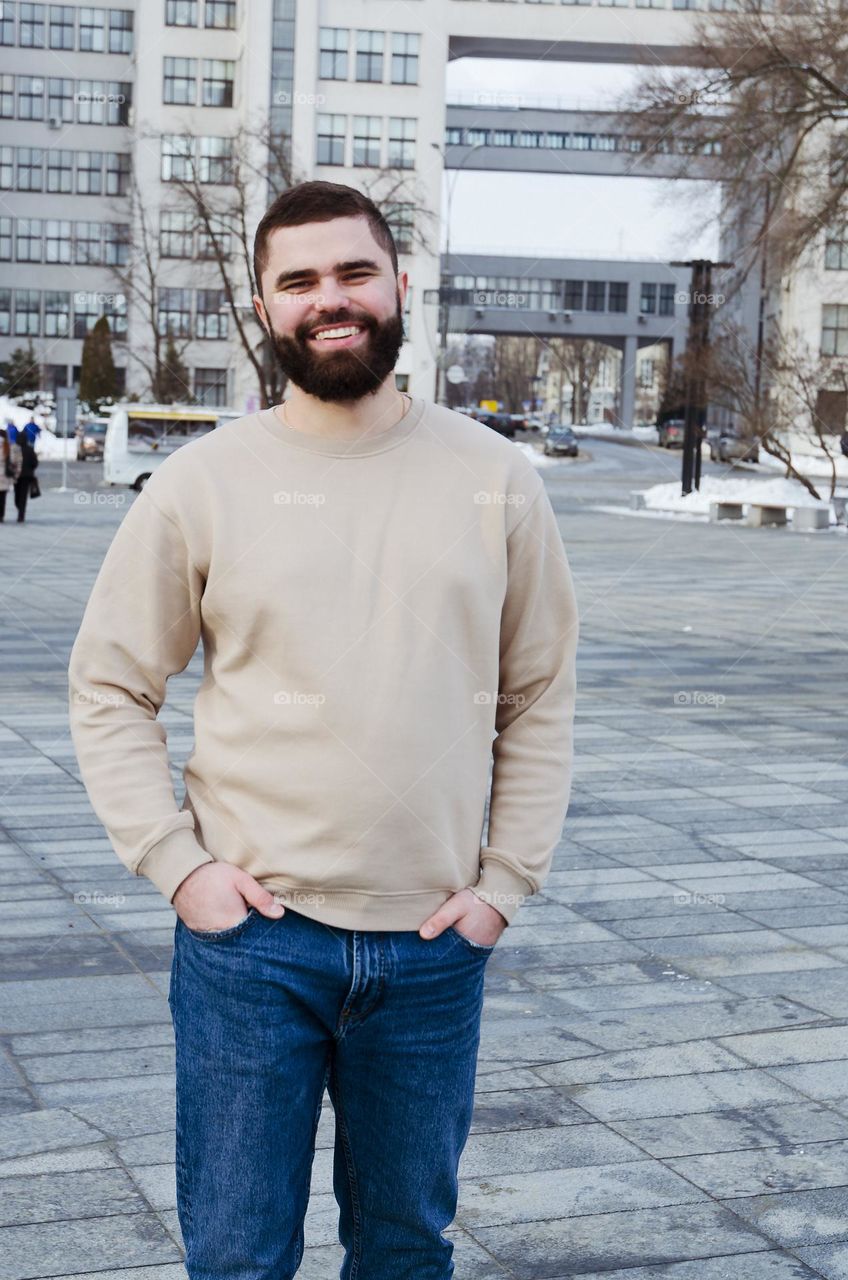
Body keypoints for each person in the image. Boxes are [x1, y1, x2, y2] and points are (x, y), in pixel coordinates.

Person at [68, 181, 579, 1280]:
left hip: (433, 946)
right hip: (251, 945)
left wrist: (503, 886)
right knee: (239, 1256)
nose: (327, 299)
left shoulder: (494, 480)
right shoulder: (201, 483)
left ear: (399, 283)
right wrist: (175, 864)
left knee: (403, 1250)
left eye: (352, 271)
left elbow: (537, 693)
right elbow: (109, 683)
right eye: (297, 280)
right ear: (263, 304)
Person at [14, 431, 37, 523]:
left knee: (17, 495)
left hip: (19, 476)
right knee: (23, 496)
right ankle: (21, 514)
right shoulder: (30, 449)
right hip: (26, 476)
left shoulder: (16, 450)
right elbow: (35, 463)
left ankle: (20, 511)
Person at [0, 427, 21, 522]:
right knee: (2, 498)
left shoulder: (8, 447)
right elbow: (14, 462)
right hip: (5, 477)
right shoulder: (8, 447)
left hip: (3, 476)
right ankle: (1, 515)